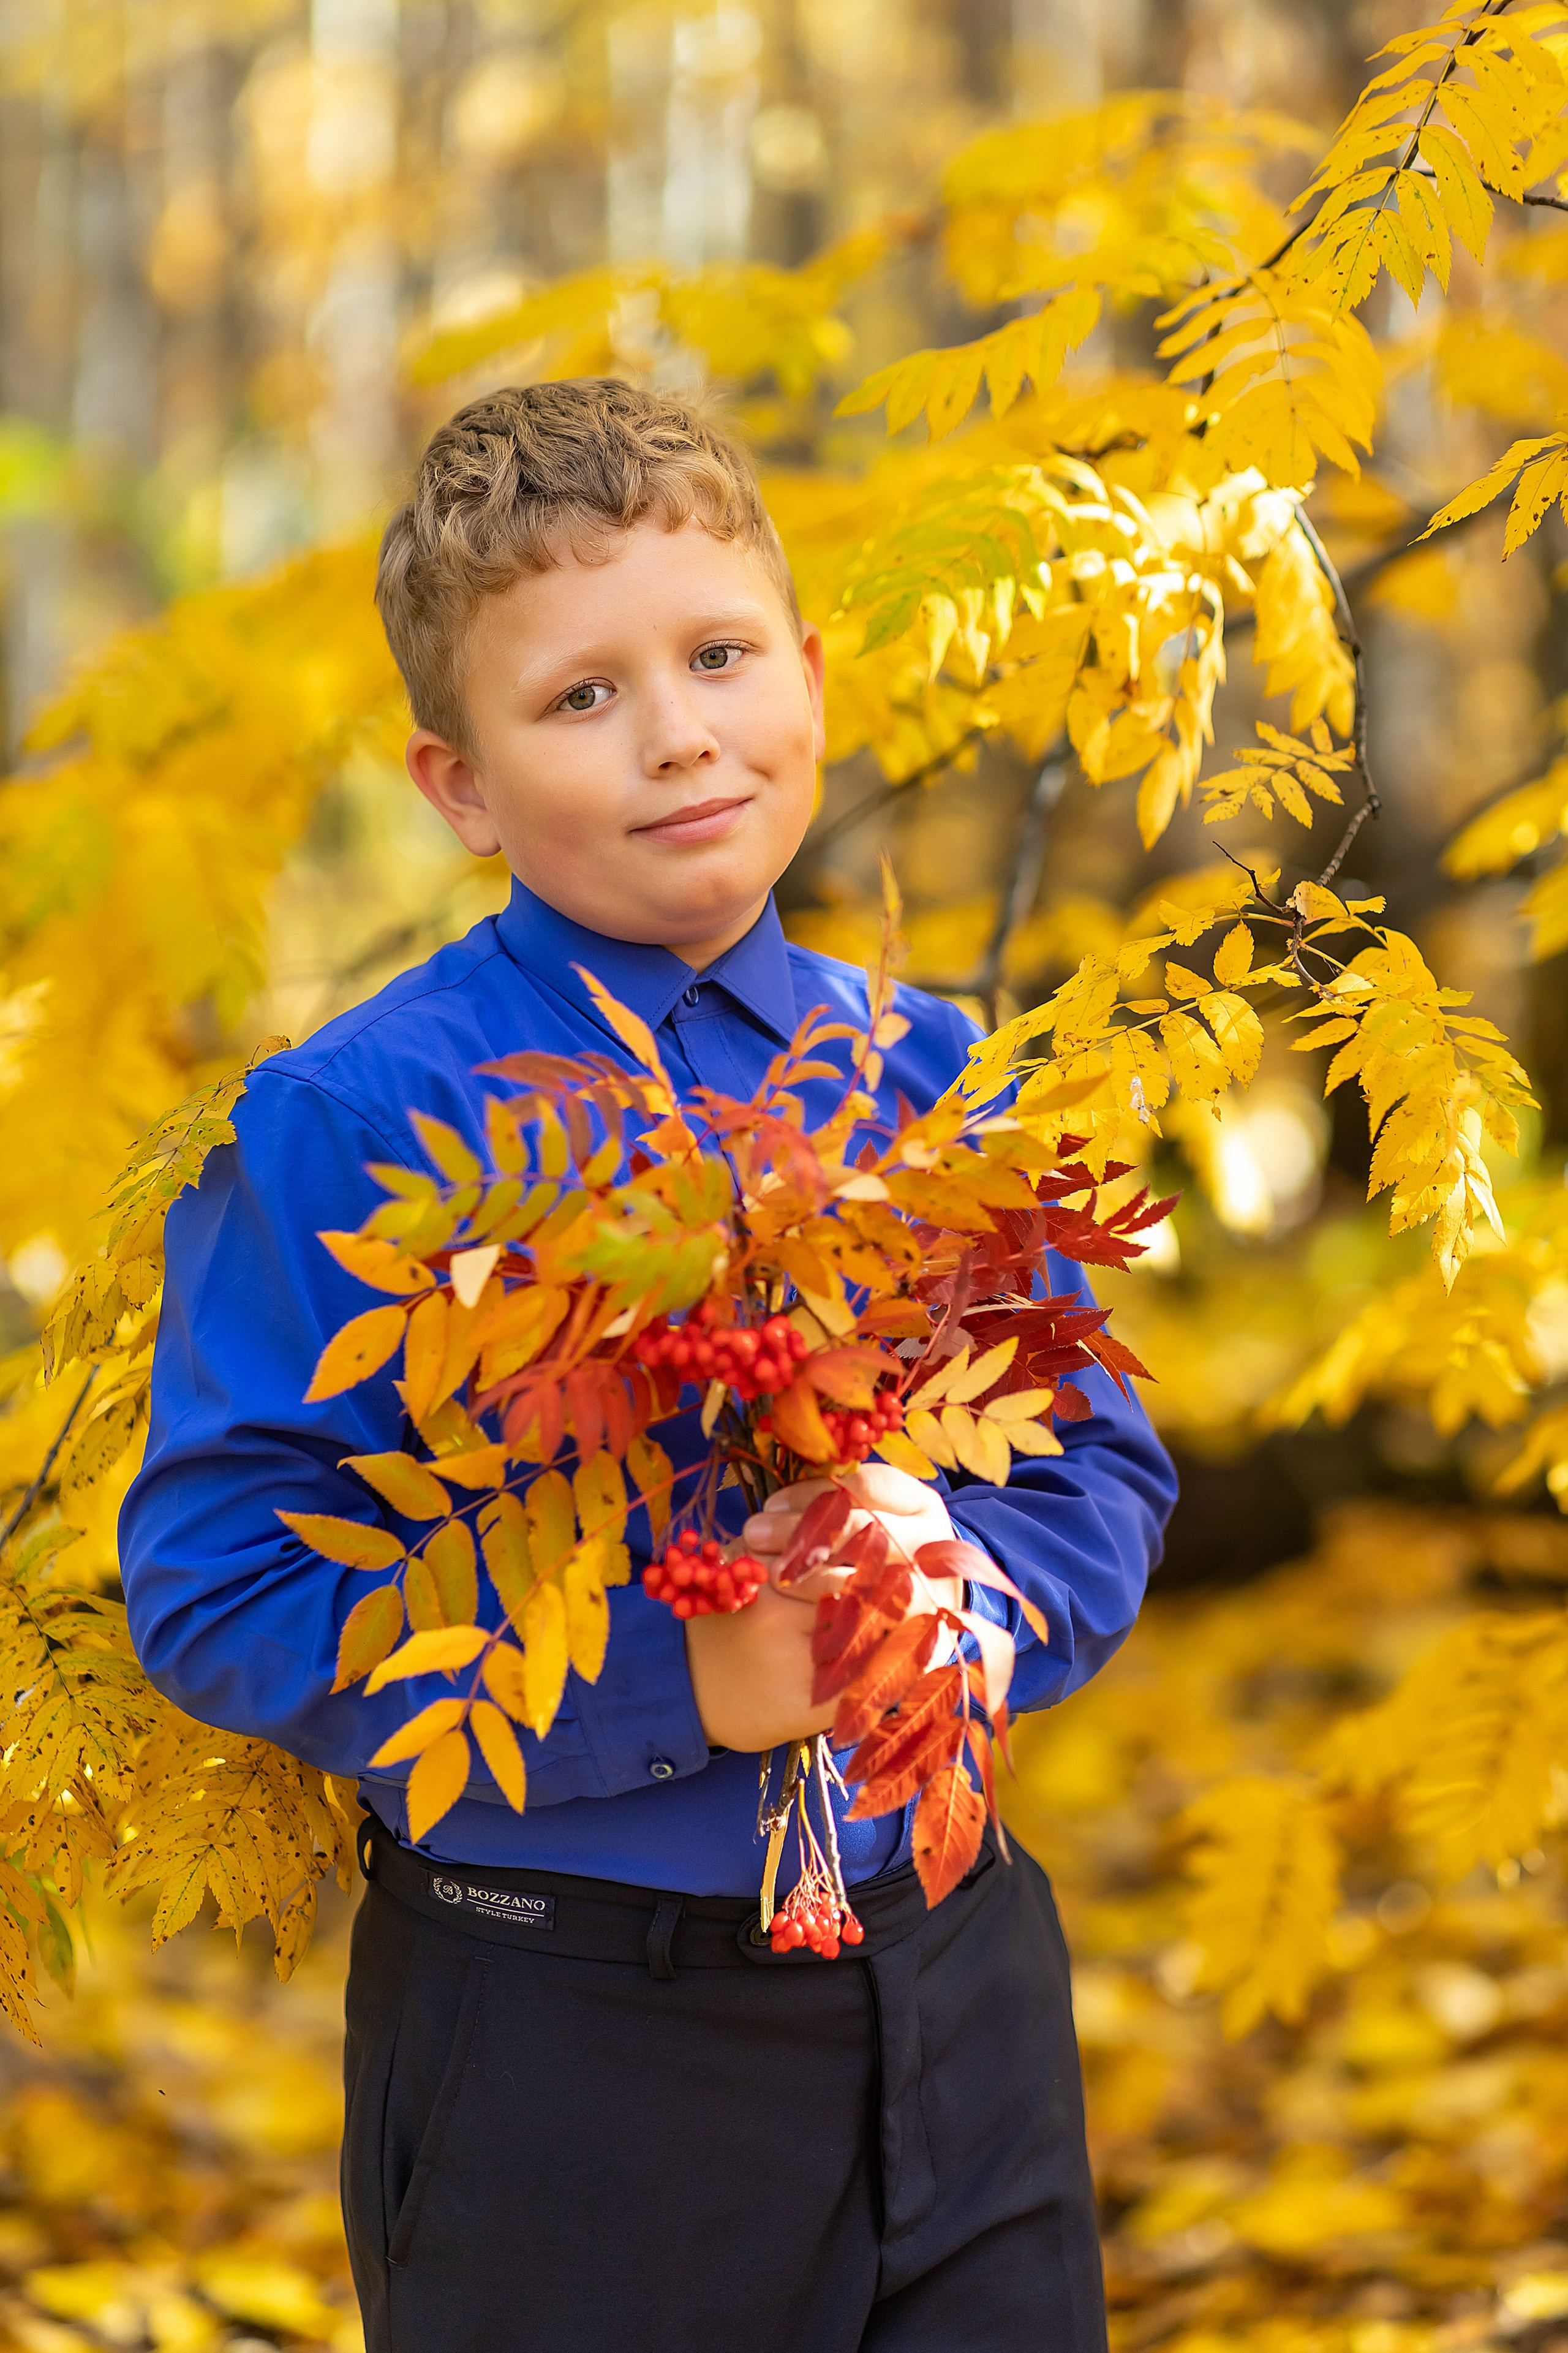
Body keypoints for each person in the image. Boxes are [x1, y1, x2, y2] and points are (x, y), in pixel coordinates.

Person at [119, 379, 1177, 2353]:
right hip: (573, 2038)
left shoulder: (936, 1078)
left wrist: (964, 1605)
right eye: (581, 698)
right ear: (459, 785)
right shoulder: (360, 1123)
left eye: (715, 656)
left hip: (958, 1984)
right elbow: (223, 1589)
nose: (679, 731)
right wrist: (672, 1675)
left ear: (811, 678)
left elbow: (1097, 1462)